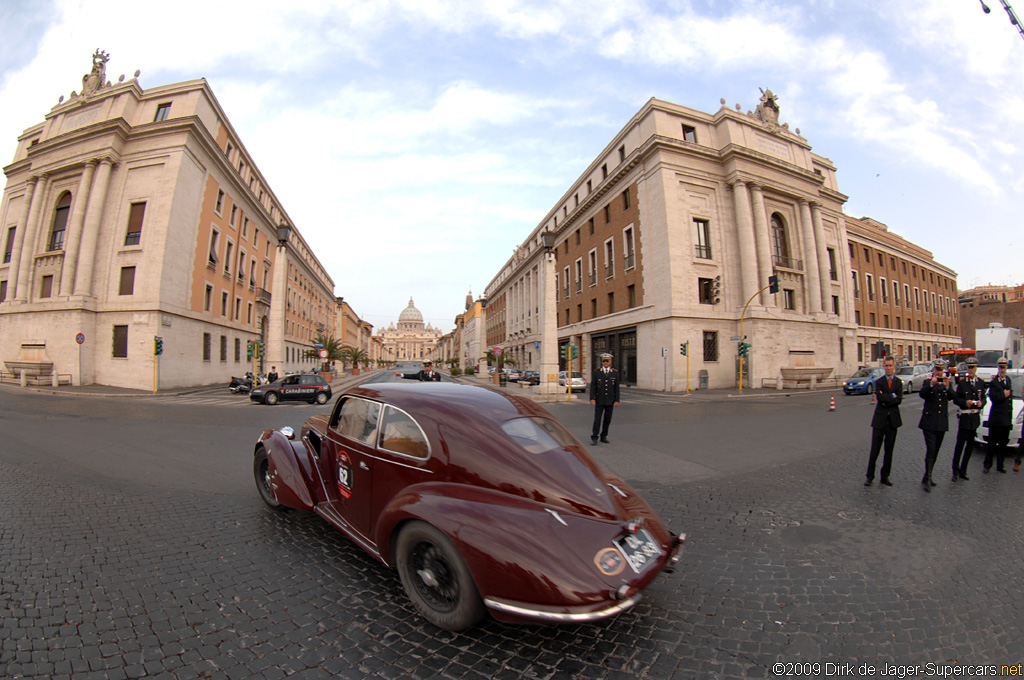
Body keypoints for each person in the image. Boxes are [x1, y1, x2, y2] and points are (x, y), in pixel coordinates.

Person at [918, 358, 956, 492]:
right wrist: (931, 385)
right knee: (931, 449)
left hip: (941, 422)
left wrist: (946, 387)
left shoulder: (946, 383)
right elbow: (922, 394)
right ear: (934, 370)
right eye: (937, 369)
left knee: (936, 450)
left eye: (941, 370)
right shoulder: (928, 382)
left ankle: (927, 475)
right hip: (929, 422)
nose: (939, 373)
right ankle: (927, 478)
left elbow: (953, 397)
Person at [864, 356, 902, 487]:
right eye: (886, 366)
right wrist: (891, 396)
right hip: (880, 420)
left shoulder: (898, 382)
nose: (888, 368)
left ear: (894, 367)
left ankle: (885, 476)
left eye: (890, 366)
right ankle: (870, 476)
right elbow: (880, 398)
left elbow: (899, 399)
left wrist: (888, 398)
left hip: (893, 421)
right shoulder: (879, 382)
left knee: (889, 450)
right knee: (875, 449)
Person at [951, 357, 985, 481]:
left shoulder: (980, 382)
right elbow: (956, 399)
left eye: (973, 367)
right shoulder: (962, 383)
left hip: (974, 418)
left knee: (970, 446)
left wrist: (982, 403)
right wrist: (966, 402)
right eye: (969, 367)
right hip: (965, 417)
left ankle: (963, 470)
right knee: (960, 445)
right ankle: (955, 470)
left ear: (976, 368)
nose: (971, 370)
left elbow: (984, 397)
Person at [984, 356, 1013, 474]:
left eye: (1004, 367)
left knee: (1003, 444)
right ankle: (987, 465)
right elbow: (994, 397)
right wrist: (1003, 395)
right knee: (992, 444)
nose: (1002, 370)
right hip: (996, 418)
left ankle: (1000, 465)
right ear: (998, 368)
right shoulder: (994, 382)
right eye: (1001, 367)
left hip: (1005, 418)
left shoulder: (1008, 380)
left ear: (1007, 368)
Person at [590, 353, 620, 445]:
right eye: (604, 361)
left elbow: (616, 388)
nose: (605, 362)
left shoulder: (614, 372)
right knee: (597, 419)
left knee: (607, 420)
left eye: (607, 361)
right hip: (599, 400)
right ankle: (595, 437)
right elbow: (593, 386)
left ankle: (604, 436)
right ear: (602, 362)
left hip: (610, 400)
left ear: (610, 362)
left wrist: (617, 400)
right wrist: (592, 398)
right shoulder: (597, 372)